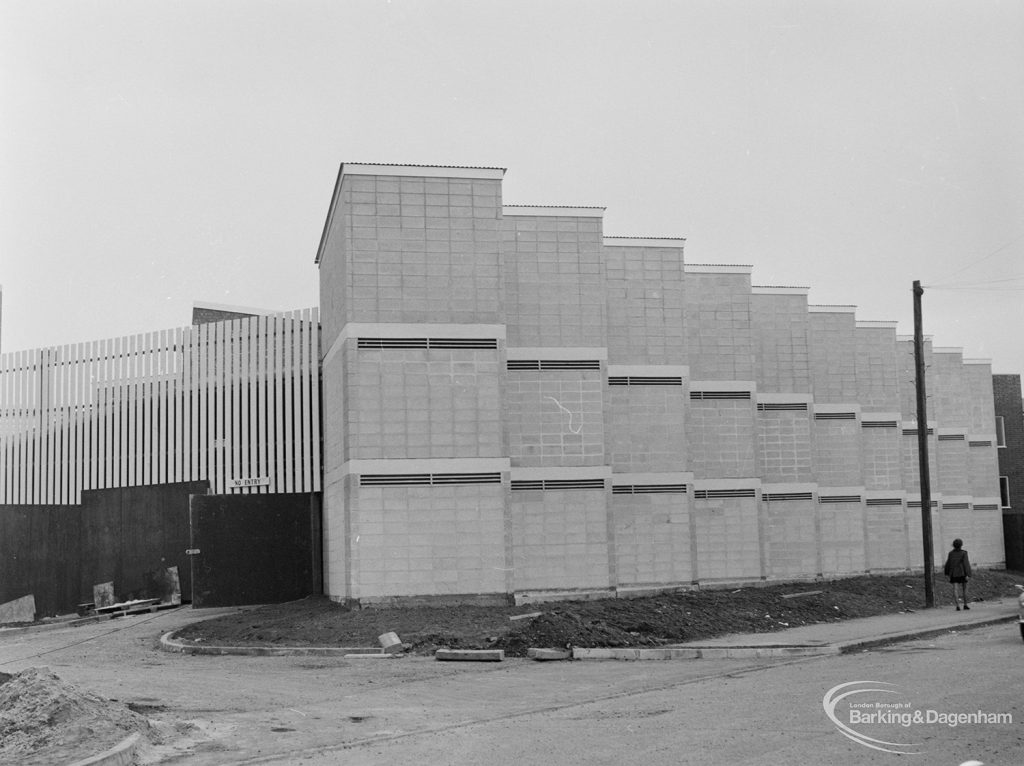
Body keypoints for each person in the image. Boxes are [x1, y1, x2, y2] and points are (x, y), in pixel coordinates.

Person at [943, 538, 972, 610]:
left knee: (955, 589)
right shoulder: (964, 553)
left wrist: (947, 573)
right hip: (962, 573)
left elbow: (948, 563)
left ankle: (958, 606)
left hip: (954, 574)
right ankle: (965, 604)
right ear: (961, 545)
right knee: (965, 589)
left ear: (953, 545)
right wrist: (968, 574)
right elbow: (966, 564)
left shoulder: (951, 553)